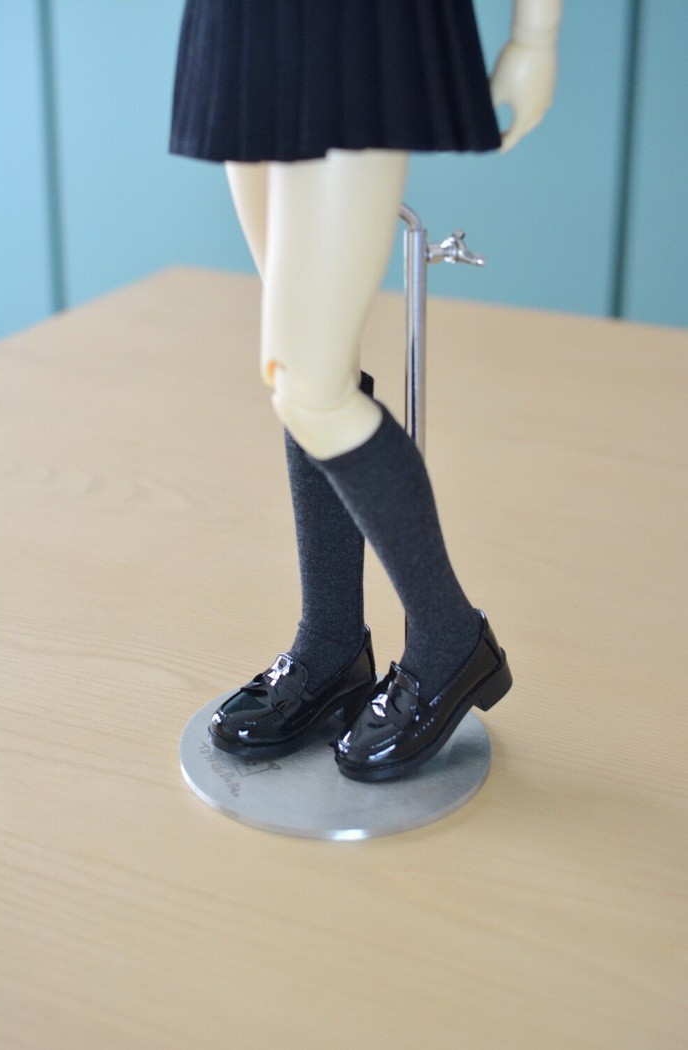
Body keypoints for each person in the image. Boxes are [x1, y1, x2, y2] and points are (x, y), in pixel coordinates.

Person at [170, 0, 562, 782]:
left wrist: (536, 32)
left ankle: (450, 639)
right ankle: (333, 643)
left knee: (310, 384)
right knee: (310, 365)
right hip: (244, 23)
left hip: (355, 26)